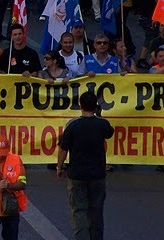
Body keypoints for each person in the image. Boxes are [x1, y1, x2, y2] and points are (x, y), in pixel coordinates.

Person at [57, 91, 114, 240]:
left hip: (77, 175)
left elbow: (63, 149)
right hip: (97, 175)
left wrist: (59, 167)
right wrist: (99, 115)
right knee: (96, 211)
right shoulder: (102, 124)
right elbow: (109, 133)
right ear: (95, 106)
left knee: (79, 212)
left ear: (80, 106)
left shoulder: (73, 125)